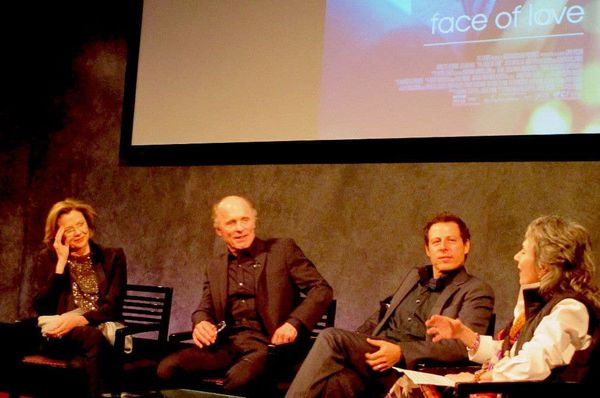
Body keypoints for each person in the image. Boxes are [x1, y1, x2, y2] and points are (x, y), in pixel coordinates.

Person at [285, 212, 495, 398]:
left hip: (411, 367)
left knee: (331, 337)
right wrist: (353, 345)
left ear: (466, 245)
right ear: (427, 249)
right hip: (377, 356)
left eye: (452, 240)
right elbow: (382, 315)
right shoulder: (415, 277)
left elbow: (464, 346)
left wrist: (401, 351)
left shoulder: (476, 290)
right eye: (436, 242)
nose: (443, 248)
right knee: (337, 382)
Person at [156, 195, 334, 395]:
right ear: (219, 231)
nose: (240, 228)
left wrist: (293, 323)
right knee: (167, 369)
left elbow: (321, 289)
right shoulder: (215, 265)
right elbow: (204, 308)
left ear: (254, 221)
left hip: (271, 348)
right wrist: (201, 322)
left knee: (239, 379)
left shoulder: (282, 250)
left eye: (245, 220)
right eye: (231, 223)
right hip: (228, 346)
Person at [425, 215, 600, 386]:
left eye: (524, 251)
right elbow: (511, 352)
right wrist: (464, 334)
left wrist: (478, 379)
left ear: (544, 265)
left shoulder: (569, 309)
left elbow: (532, 364)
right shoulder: (542, 305)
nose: (516, 257)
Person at [1, 198, 127, 398]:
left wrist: (79, 319)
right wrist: (60, 264)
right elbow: (43, 308)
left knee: (89, 337)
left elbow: (113, 304)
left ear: (89, 225)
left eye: (81, 224)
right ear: (58, 234)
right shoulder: (48, 258)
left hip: (98, 330)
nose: (78, 232)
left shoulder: (112, 257)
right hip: (59, 333)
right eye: (69, 229)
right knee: (8, 332)